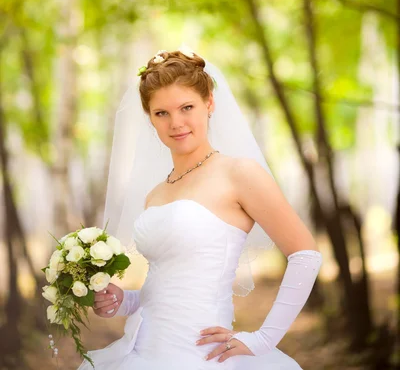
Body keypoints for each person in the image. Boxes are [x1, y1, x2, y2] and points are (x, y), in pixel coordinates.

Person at [78, 49, 322, 370]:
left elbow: (306, 254)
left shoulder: (239, 174)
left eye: (186, 107)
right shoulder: (156, 193)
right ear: (150, 118)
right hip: (143, 352)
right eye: (161, 113)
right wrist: (123, 301)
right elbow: (166, 285)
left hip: (202, 356)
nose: (176, 123)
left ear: (209, 103)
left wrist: (263, 339)